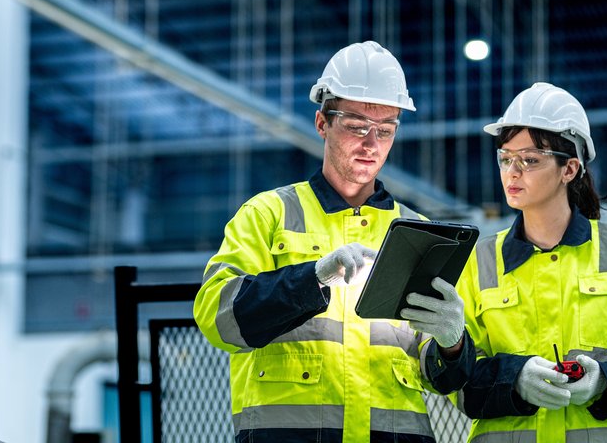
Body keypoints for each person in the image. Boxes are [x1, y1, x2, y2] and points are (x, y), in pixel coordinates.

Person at [194, 41, 473, 443]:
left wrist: (452, 343)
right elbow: (217, 318)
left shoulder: (418, 230)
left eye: (386, 130)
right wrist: (312, 278)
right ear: (322, 123)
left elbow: (442, 378)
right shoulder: (268, 214)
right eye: (357, 126)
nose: (371, 143)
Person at [455, 82, 607, 441]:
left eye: (530, 160)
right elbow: (457, 379)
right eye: (506, 158)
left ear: (569, 169)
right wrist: (515, 380)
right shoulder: (482, 261)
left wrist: (605, 385)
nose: (512, 172)